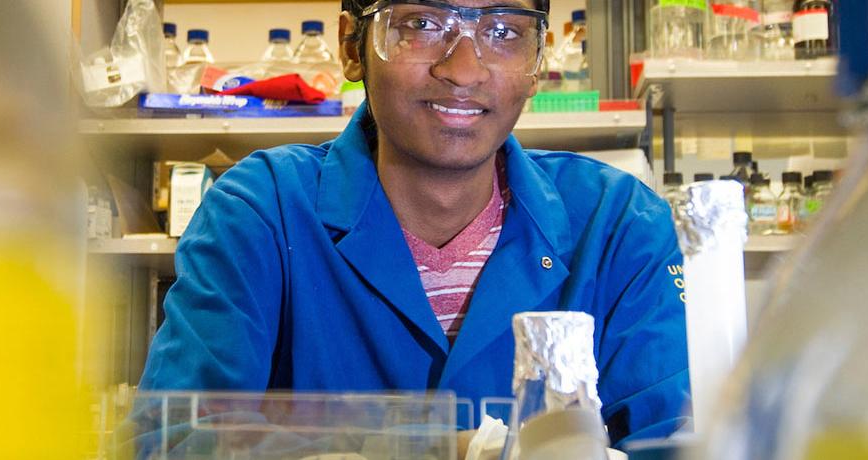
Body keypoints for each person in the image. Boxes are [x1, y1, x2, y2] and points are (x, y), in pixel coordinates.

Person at [137, 0, 690, 445]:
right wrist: (455, 450)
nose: (464, 70)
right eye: (423, 23)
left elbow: (676, 440)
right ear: (353, 47)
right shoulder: (260, 213)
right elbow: (176, 439)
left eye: (504, 31)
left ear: (538, 60)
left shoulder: (619, 227)